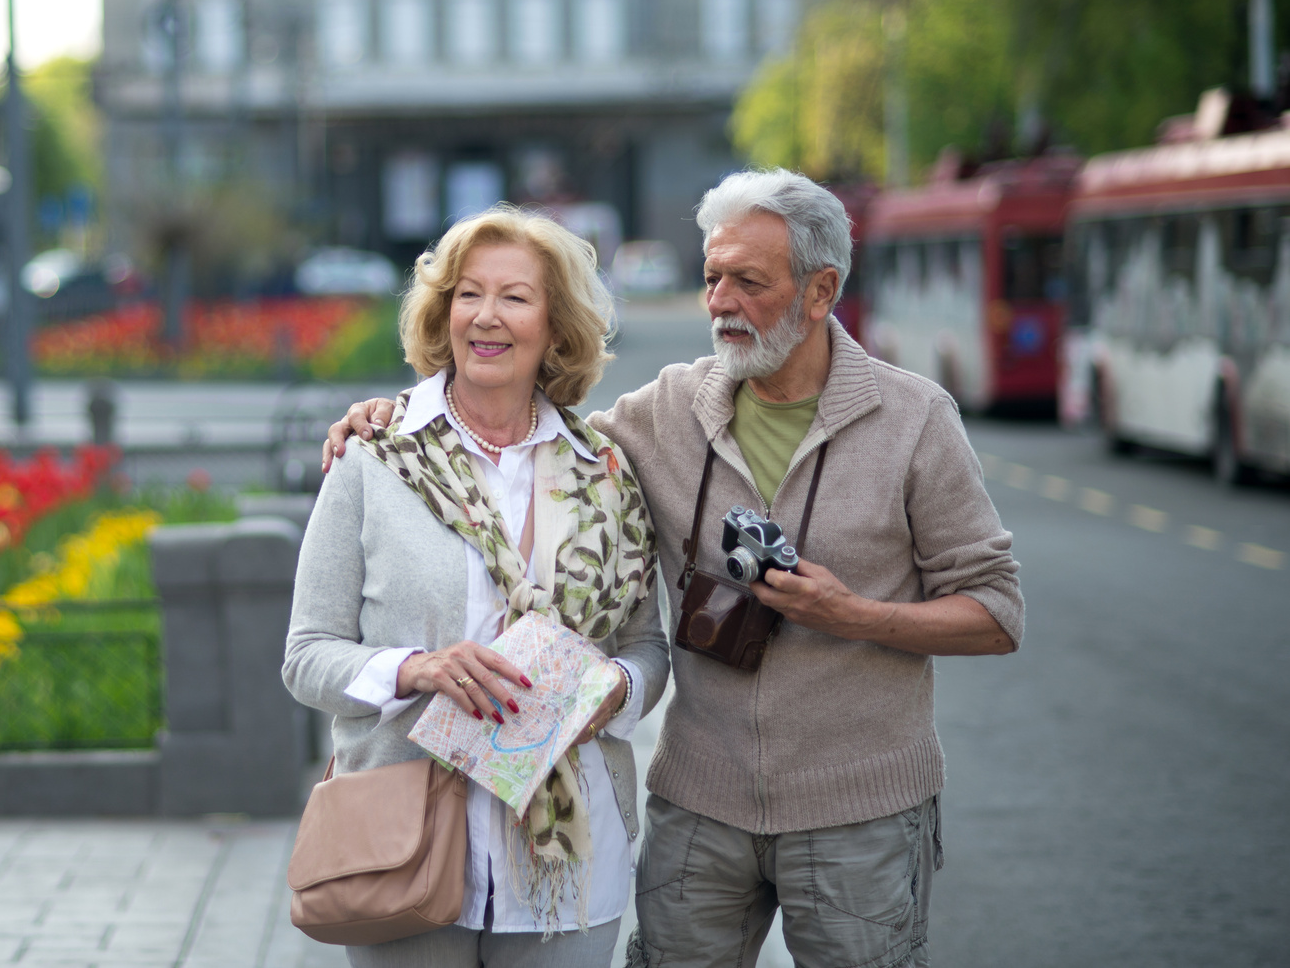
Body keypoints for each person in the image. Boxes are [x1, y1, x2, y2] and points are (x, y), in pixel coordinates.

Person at [324, 170, 1024, 968]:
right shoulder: (659, 412)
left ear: (820, 290)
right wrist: (395, 418)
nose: (720, 301)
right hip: (699, 808)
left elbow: (996, 614)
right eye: (711, 277)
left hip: (857, 811)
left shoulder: (914, 419)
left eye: (748, 282)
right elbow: (520, 433)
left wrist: (854, 614)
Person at [283, 206, 668, 968]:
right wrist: (416, 668)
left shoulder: (605, 472)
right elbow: (306, 656)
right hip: (400, 844)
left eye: (514, 297)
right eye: (467, 293)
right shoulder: (375, 455)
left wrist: (614, 690)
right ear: (442, 312)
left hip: (572, 861)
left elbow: (645, 646)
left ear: (554, 326)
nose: (486, 315)